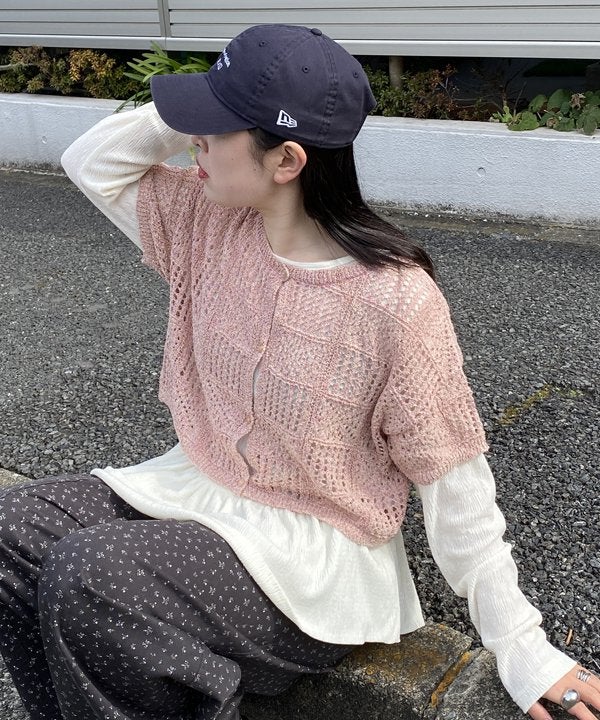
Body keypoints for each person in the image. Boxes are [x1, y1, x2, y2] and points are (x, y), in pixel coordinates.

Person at [0, 23, 597, 720]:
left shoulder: (394, 301)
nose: (194, 144)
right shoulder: (207, 225)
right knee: (11, 529)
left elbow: (455, 485)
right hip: (200, 493)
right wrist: (214, 99)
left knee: (90, 578)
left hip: (313, 561)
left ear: (286, 160)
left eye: (213, 131)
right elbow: (90, 160)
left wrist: (521, 644)